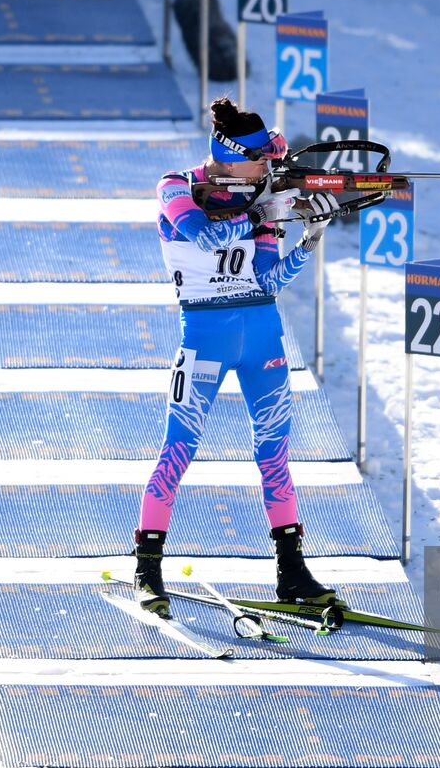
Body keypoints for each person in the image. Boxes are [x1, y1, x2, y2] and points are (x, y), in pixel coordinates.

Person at [133, 97, 341, 618]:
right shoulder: (176, 185)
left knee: (275, 452)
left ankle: (291, 572)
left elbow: (269, 280)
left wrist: (310, 240)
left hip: (263, 334)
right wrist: (257, 213)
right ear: (228, 157)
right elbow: (200, 237)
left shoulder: (263, 199)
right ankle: (148, 567)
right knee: (179, 448)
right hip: (204, 333)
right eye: (261, 161)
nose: (269, 169)